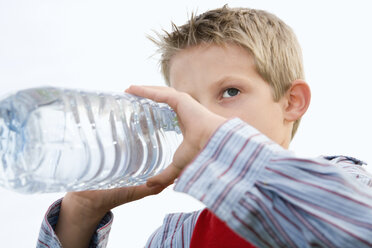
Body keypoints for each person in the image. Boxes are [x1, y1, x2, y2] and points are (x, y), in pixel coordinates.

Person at [37, 5, 372, 248]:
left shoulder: (347, 181)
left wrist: (220, 140)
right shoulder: (175, 239)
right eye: (187, 104)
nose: (201, 117)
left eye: (229, 92)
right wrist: (82, 210)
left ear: (292, 101)